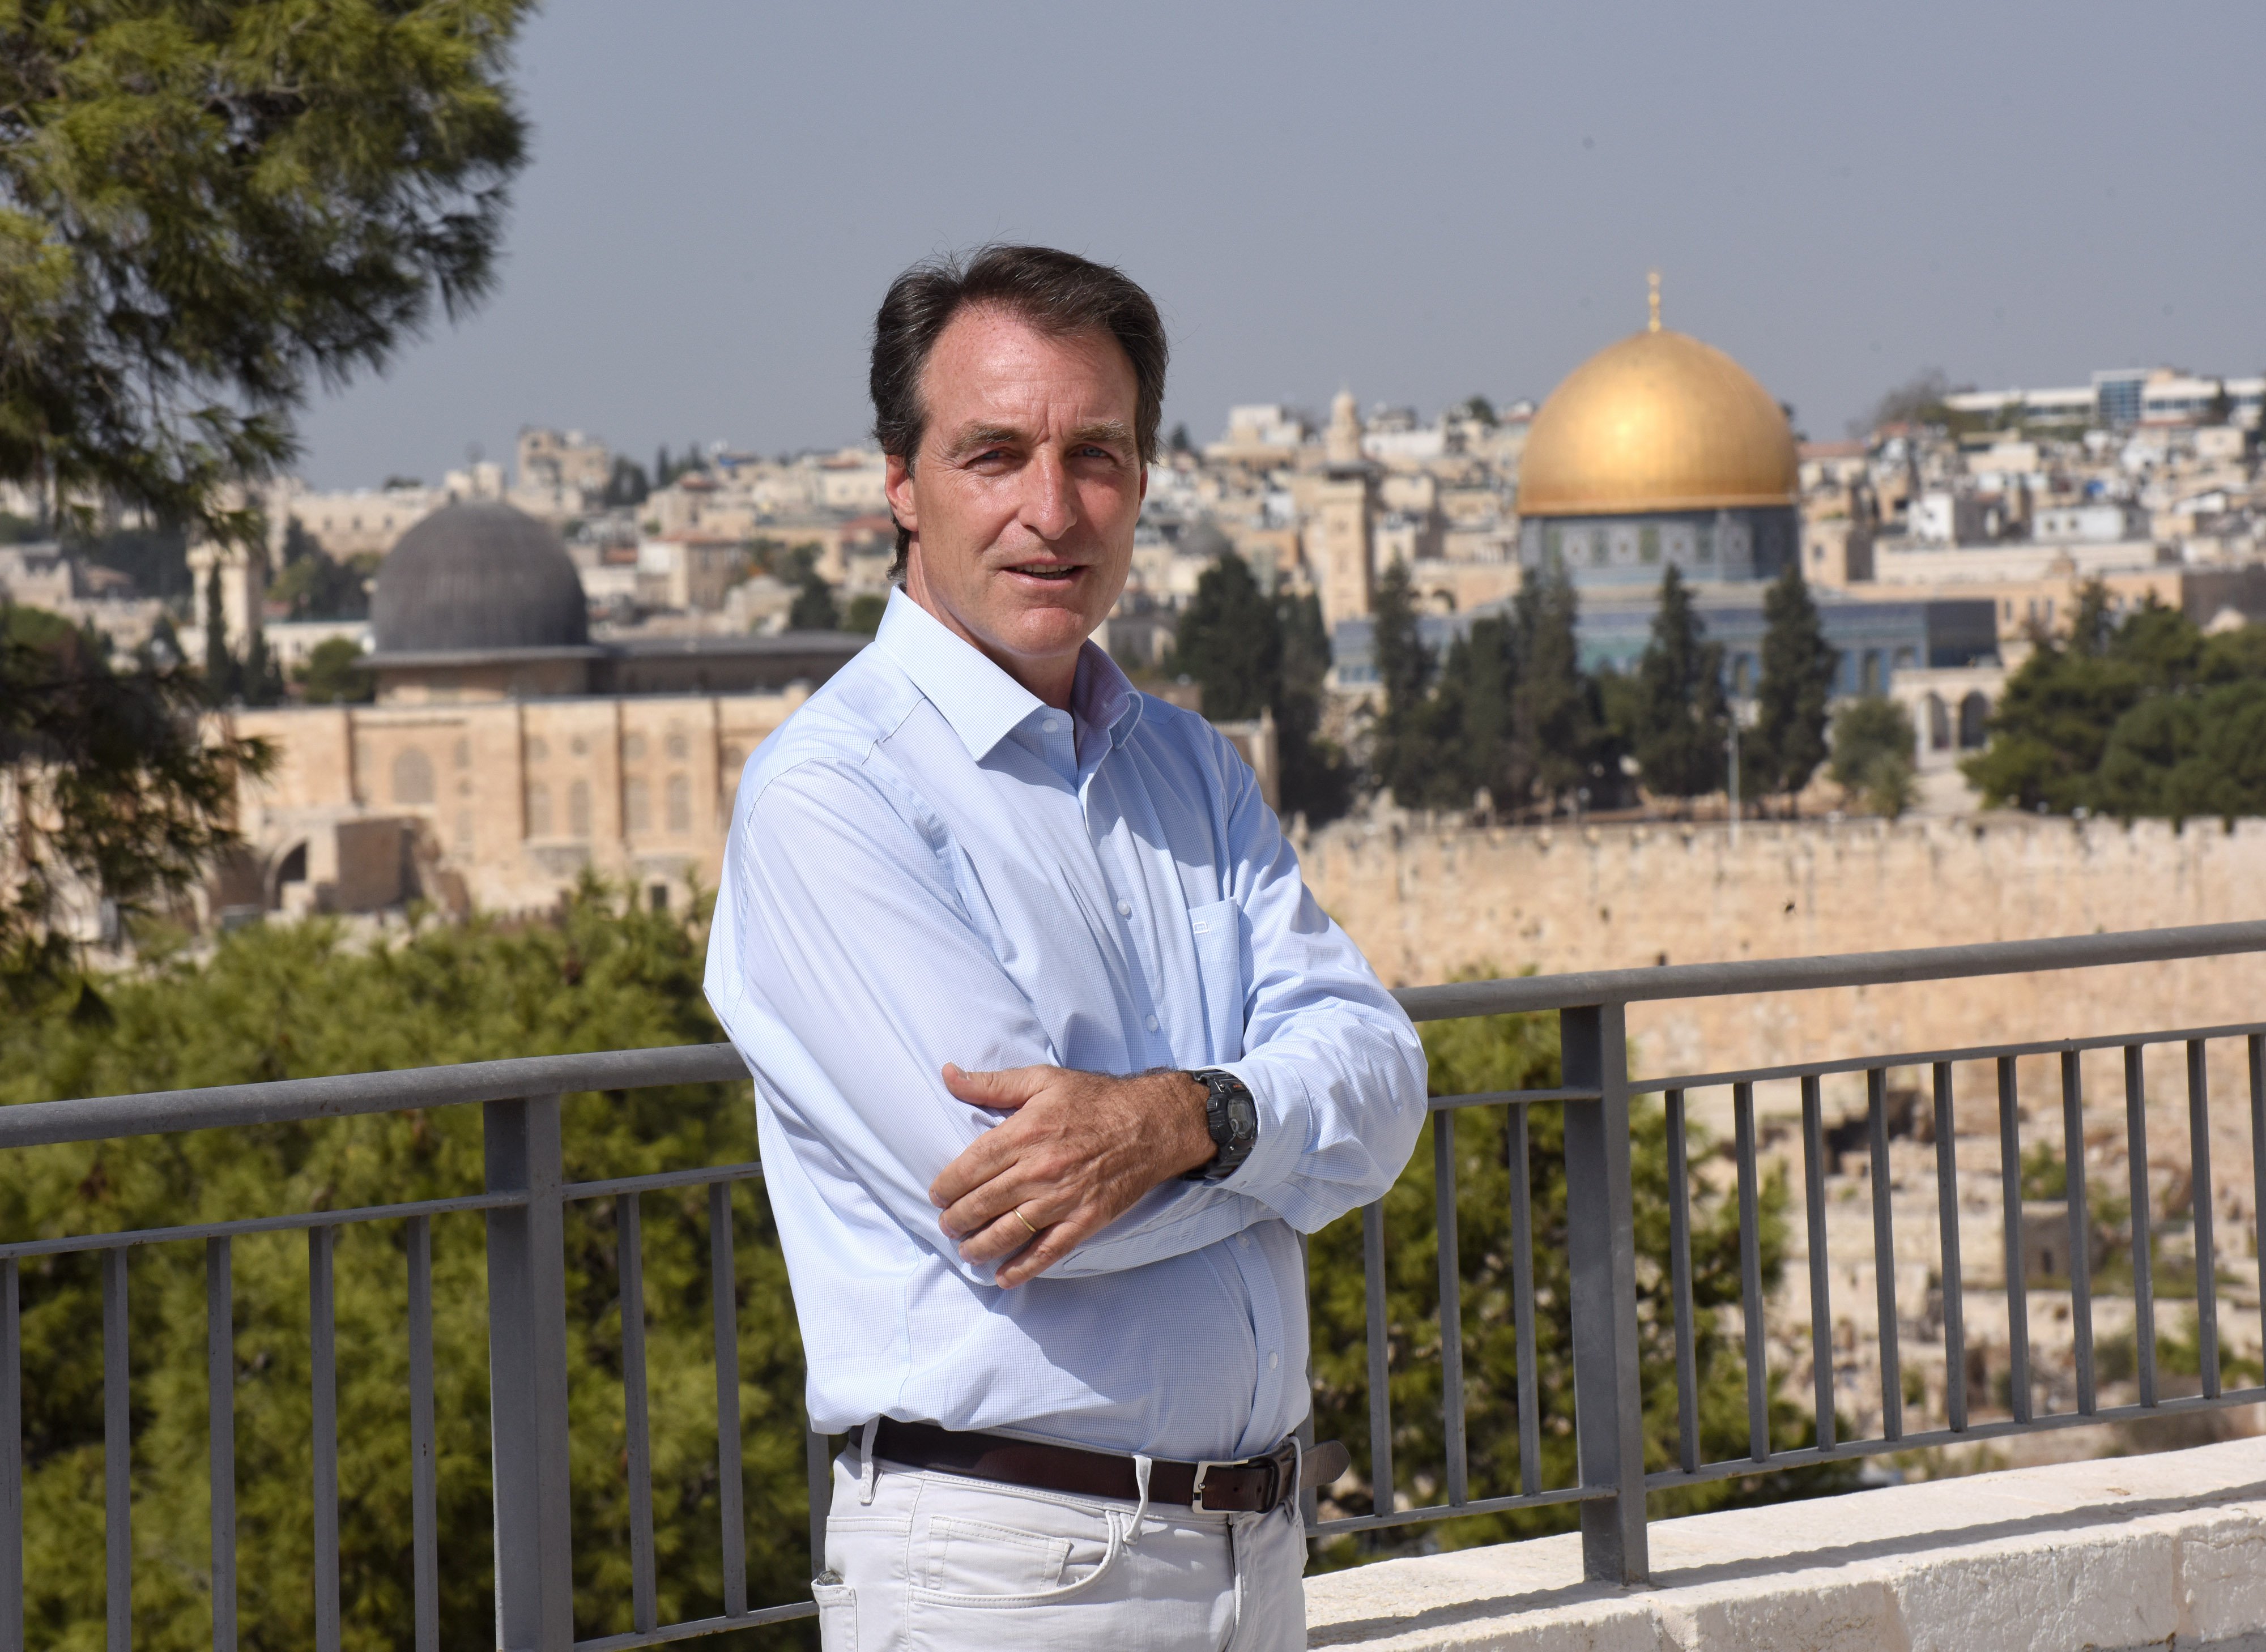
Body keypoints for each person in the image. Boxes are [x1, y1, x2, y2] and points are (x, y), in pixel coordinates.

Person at [704, 244, 1426, 1650]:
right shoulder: (832, 796)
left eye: (1095, 453)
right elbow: (1027, 1209)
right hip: (1011, 1575)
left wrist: (1180, 1116)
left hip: (1258, 1556)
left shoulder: (1187, 771)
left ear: (1144, 478)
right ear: (898, 484)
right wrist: (1283, 1155)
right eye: (992, 454)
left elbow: (1386, 1083)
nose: (1052, 509)